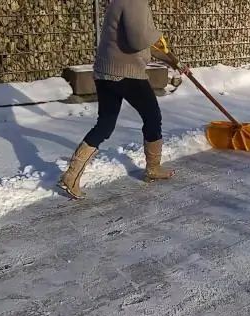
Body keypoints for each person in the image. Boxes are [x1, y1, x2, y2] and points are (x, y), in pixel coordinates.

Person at [57, 0, 187, 200]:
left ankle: (71, 175)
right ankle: (153, 168)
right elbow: (139, 41)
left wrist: (173, 61)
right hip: (127, 73)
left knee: (105, 124)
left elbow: (144, 45)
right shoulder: (135, 2)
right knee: (152, 117)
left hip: (105, 72)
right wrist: (156, 34)